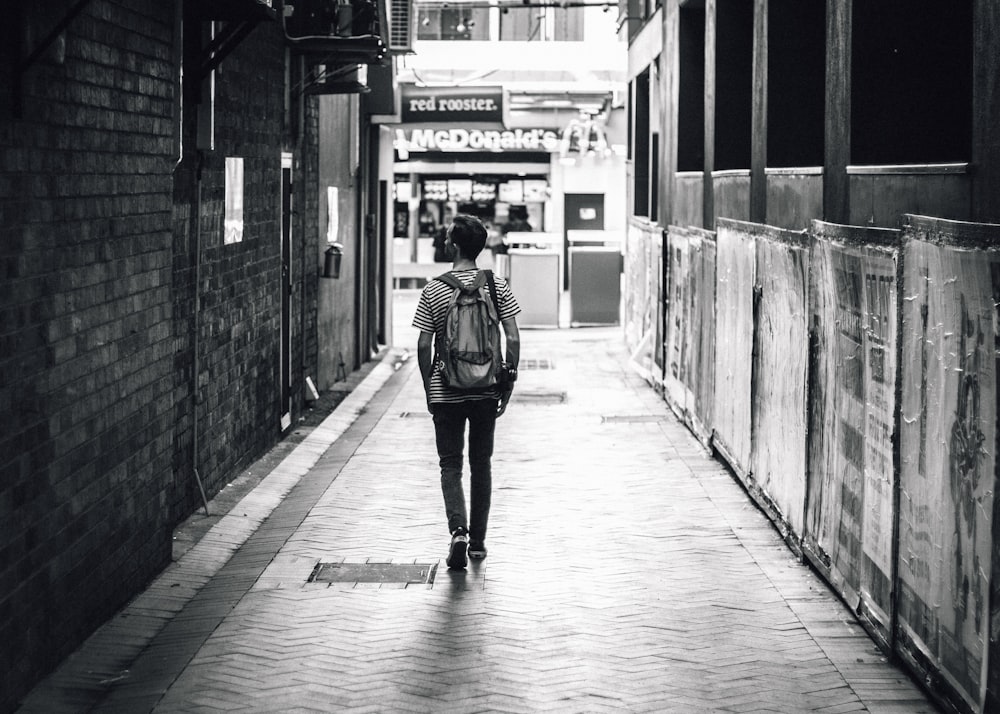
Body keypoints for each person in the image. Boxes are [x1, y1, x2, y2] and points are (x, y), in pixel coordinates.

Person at [412, 214, 521, 569]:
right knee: (481, 464)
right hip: (487, 388)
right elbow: (514, 337)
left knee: (450, 464)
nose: (444, 241)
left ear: (455, 245)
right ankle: (477, 543)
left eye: (447, 237)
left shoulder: (434, 289)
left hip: (447, 389)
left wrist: (431, 386)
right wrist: (508, 379)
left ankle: (457, 531)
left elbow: (424, 344)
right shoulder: (496, 286)